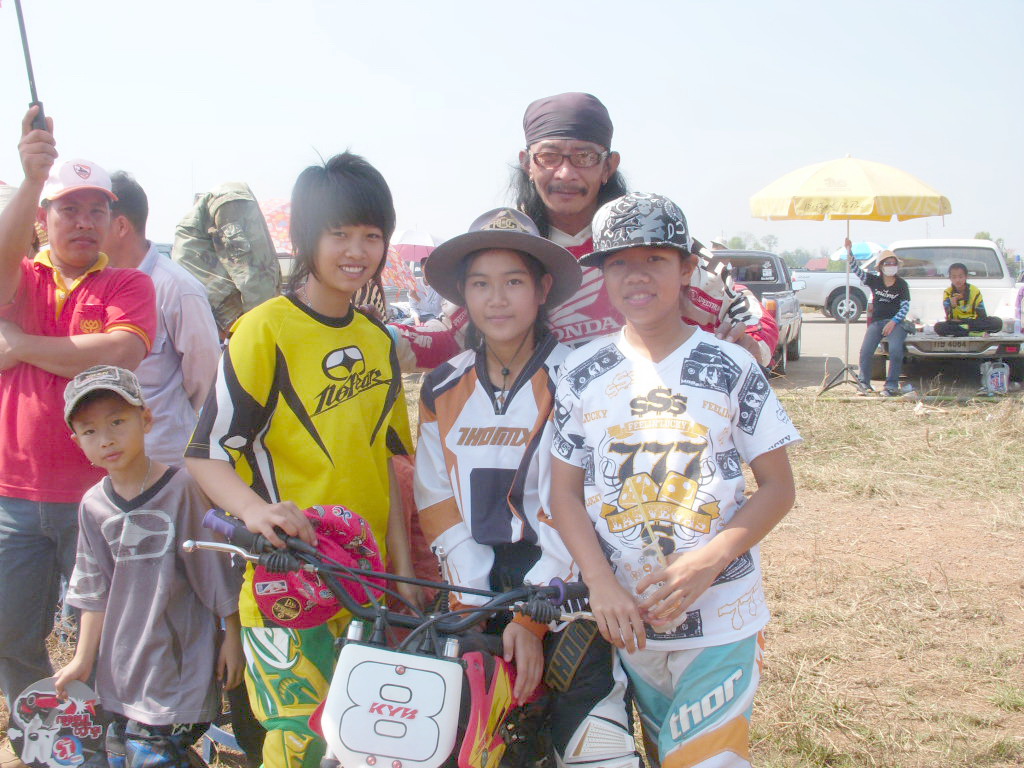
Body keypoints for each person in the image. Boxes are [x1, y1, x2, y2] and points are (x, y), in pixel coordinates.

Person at [548, 192, 799, 768]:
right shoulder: (582, 372)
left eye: (655, 259)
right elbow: (563, 493)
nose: (636, 276)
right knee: (665, 751)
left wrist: (709, 561)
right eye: (619, 263)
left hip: (721, 616)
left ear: (687, 268)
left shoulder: (732, 366)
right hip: (628, 621)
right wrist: (600, 583)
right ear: (602, 275)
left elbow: (779, 488)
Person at [184, 152, 415, 768]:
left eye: (371, 235)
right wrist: (256, 513)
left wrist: (402, 577)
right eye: (339, 233)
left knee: (366, 746)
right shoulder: (263, 330)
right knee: (300, 747)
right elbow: (205, 455)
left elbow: (386, 464)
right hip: (288, 582)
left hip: (366, 587)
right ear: (306, 238)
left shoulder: (378, 341)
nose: (356, 251)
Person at [414, 208, 640, 767]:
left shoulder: (584, 377)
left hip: (569, 587)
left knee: (596, 749)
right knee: (462, 746)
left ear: (542, 289)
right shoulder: (440, 385)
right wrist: (472, 599)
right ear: (462, 295)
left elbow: (588, 500)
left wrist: (533, 617)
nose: (497, 299)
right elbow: (436, 498)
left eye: (513, 282)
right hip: (471, 587)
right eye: (480, 284)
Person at [392, 92, 778, 369]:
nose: (565, 173)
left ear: (608, 166)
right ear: (527, 163)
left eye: (584, 157)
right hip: (541, 436)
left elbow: (746, 311)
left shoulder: (652, 236)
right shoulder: (507, 244)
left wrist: (753, 345)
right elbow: (450, 337)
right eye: (549, 157)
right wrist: (378, 336)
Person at [0, 108, 156, 717]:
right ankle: (39, 733)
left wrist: (20, 346)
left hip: (102, 494)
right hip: (14, 497)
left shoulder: (127, 285)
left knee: (113, 634)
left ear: (115, 222)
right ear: (42, 219)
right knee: (11, 635)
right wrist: (31, 178)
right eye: (68, 209)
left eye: (96, 210)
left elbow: (119, 353)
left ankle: (109, 735)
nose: (84, 222)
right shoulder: (21, 277)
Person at [53, 365, 243, 768]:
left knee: (151, 756)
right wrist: (83, 659)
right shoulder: (93, 505)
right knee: (122, 755)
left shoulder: (182, 488)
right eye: (90, 431)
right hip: (122, 670)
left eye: (117, 422)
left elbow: (213, 571)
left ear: (147, 418)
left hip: (179, 664)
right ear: (76, 441)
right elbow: (93, 589)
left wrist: (232, 635)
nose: (106, 439)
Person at [101, 172, 221, 465]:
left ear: (120, 226)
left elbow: (205, 382)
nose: (84, 226)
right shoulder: (92, 286)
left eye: (95, 215)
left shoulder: (178, 288)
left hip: (162, 463)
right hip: (103, 464)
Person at [172, 182, 281, 338]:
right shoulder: (230, 202)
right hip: (227, 321)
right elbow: (251, 276)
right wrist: (265, 331)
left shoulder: (189, 233)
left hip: (209, 320)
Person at [846, 240, 911, 395]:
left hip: (896, 323)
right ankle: (864, 383)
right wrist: (849, 252)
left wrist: (893, 322)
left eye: (894, 263)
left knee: (895, 350)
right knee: (866, 351)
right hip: (877, 322)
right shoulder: (874, 280)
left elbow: (905, 307)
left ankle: (891, 385)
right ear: (881, 266)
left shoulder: (902, 284)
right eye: (887, 263)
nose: (891, 266)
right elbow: (856, 270)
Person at [934, 262, 1003, 336]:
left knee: (997, 322)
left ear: (966, 276)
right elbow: (950, 318)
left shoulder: (974, 291)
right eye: (954, 277)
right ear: (950, 278)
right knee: (938, 327)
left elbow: (982, 315)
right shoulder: (948, 292)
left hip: (973, 322)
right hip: (957, 323)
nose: (957, 280)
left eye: (960, 277)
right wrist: (952, 305)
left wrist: (971, 322)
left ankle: (963, 330)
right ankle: (972, 333)